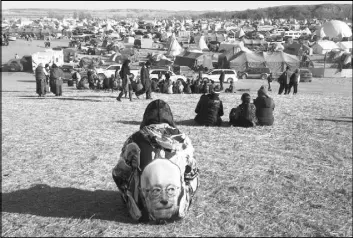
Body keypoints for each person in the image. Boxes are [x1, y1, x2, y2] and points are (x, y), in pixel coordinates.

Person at [112, 99, 199, 223]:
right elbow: (192, 174)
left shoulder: (135, 138)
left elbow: (119, 174)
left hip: (141, 215)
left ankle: (136, 203)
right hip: (178, 214)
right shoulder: (183, 139)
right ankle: (181, 202)